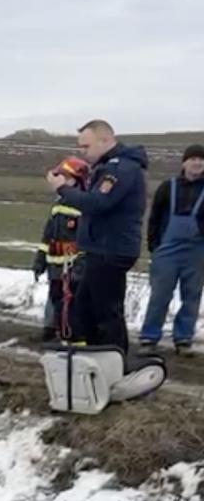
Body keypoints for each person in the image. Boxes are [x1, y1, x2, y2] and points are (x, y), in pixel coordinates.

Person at [52, 120, 147, 353]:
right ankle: (94, 356)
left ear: (105, 140)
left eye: (86, 146)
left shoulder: (119, 168)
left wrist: (63, 189)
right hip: (99, 248)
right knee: (85, 310)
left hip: (111, 250)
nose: (83, 153)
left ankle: (114, 362)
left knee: (106, 312)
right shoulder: (109, 167)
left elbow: (98, 203)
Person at [139, 144, 204, 355]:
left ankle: (183, 339)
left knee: (191, 297)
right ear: (184, 162)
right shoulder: (168, 187)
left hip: (196, 252)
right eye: (193, 159)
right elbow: (155, 217)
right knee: (160, 295)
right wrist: (154, 246)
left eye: (201, 160)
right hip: (166, 250)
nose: (197, 163)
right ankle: (149, 337)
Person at [32, 157, 89, 342]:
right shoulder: (58, 204)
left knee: (72, 308)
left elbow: (85, 242)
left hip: (71, 270)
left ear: (73, 180)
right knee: (58, 303)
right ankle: (59, 334)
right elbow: (47, 236)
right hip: (55, 268)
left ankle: (74, 340)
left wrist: (79, 268)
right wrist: (39, 261)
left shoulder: (83, 205)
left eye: (62, 176)